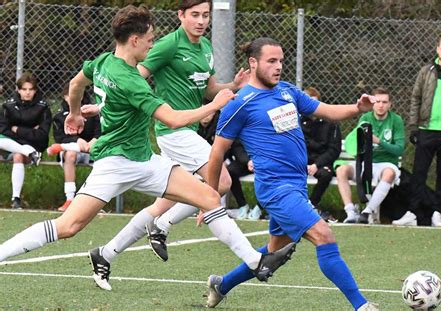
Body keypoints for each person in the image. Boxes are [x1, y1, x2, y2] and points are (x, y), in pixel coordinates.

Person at [0, 6, 295, 292]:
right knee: (68, 226)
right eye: (151, 39)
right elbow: (173, 118)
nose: (153, 45)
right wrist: (213, 105)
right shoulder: (132, 82)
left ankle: (257, 262)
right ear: (135, 40)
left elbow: (77, 82)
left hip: (144, 159)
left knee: (209, 195)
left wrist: (76, 112)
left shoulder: (104, 61)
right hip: (114, 162)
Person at [205, 37, 378, 310]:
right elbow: (216, 154)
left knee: (274, 253)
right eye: (271, 61)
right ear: (253, 63)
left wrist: (357, 108)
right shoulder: (239, 104)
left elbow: (327, 111)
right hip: (275, 189)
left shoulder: (287, 91)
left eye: (281, 61)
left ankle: (221, 284)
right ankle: (362, 305)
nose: (278, 67)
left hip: (296, 186)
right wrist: (209, 198)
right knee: (324, 234)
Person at [105, 0, 249, 262]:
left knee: (166, 201)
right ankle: (162, 226)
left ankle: (106, 253)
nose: (201, 21)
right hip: (173, 130)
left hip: (188, 129)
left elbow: (208, 90)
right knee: (222, 182)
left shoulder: (205, 47)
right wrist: (131, 103)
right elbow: (134, 73)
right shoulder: (169, 44)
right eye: (195, 15)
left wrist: (234, 85)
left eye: (205, 15)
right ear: (181, 15)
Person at [393, 35, 441, 227]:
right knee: (419, 173)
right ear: (437, 49)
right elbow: (415, 100)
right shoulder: (425, 72)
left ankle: (438, 212)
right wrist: (413, 126)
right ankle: (413, 212)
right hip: (426, 129)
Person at [336, 87, 405, 224]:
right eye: (377, 101)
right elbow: (355, 145)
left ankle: (367, 212)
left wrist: (379, 141)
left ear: (390, 104)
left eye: (384, 102)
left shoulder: (396, 120)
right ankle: (350, 212)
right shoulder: (365, 118)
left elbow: (399, 150)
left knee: (389, 174)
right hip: (365, 164)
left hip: (385, 164)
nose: (380, 105)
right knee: (341, 170)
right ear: (373, 103)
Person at [47, 83, 101, 212]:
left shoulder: (91, 112)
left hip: (91, 150)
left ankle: (94, 202)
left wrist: (94, 141)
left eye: (77, 94)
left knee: (103, 160)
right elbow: (60, 137)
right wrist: (77, 140)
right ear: (65, 97)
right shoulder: (60, 116)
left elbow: (99, 132)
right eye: (69, 95)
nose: (73, 98)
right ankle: (70, 199)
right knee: (70, 154)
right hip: (71, 151)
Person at [0, 73, 51, 209]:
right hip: (8, 145)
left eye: (31, 89)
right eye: (24, 89)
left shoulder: (43, 107)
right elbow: (3, 131)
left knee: (18, 155)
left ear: (35, 90)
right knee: (8, 146)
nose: (27, 93)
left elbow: (42, 135)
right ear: (18, 90)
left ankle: (15, 199)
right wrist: (30, 131)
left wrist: (18, 130)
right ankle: (29, 152)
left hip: (34, 145)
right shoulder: (8, 106)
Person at [301, 87, 342, 213]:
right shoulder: (297, 122)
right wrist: (304, 164)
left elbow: (334, 150)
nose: (311, 107)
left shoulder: (330, 123)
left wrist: (316, 165)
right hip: (302, 162)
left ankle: (311, 205)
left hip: (321, 163)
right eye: (308, 103)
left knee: (325, 174)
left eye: (314, 103)